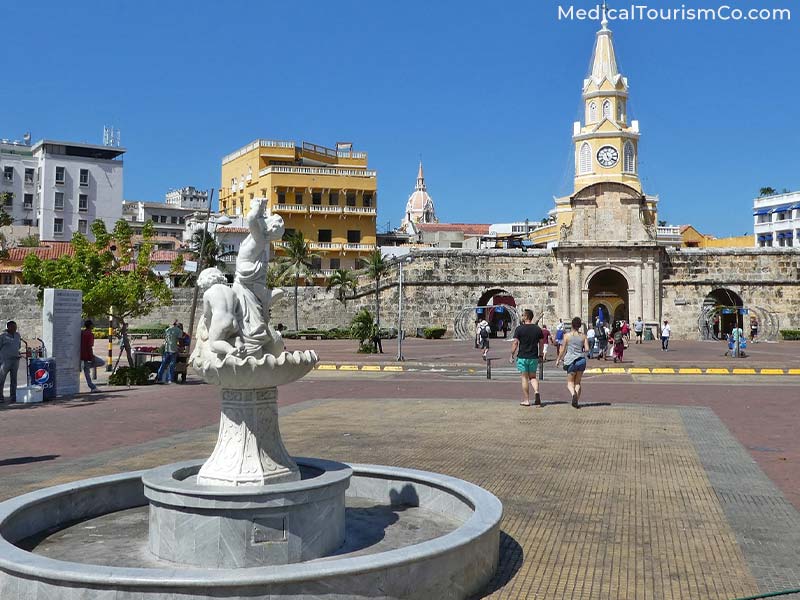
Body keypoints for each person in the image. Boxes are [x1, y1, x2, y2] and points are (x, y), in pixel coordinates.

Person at [510, 309, 544, 407]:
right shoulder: (538, 329)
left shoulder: (519, 329)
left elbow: (515, 343)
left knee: (524, 378)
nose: (521, 317)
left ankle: (526, 400)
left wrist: (512, 354)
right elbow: (541, 343)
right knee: (533, 377)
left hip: (522, 356)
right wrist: (541, 354)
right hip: (534, 356)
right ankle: (536, 391)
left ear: (526, 317)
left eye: (522, 315)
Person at [556, 317, 589, 409]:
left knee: (570, 383)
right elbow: (587, 349)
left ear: (572, 325)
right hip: (581, 360)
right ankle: (576, 401)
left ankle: (573, 394)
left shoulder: (567, 336)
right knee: (578, 383)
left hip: (571, 361)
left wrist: (558, 359)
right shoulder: (583, 336)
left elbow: (562, 349)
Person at [0, 321, 22, 403]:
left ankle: (13, 396)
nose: (15, 328)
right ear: (8, 327)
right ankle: (0, 397)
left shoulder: (17, 335)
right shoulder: (3, 336)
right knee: (1, 379)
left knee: (14, 380)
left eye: (15, 327)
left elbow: (18, 346)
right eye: (13, 327)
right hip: (5, 361)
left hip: (15, 360)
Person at [80, 320, 103, 393]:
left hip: (81, 354)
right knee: (101, 362)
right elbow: (89, 346)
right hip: (87, 354)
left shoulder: (82, 333)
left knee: (87, 371)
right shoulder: (90, 334)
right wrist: (92, 357)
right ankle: (86, 367)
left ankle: (92, 386)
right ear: (90, 325)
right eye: (92, 324)